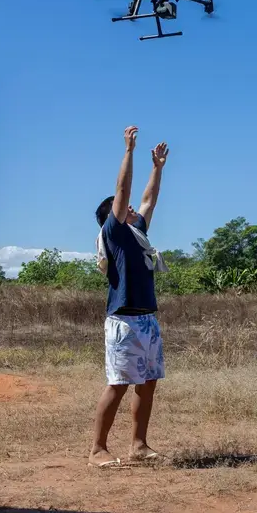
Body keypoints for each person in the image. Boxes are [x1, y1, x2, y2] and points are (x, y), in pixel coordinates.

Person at [89, 126, 170, 467]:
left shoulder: (137, 234)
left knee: (148, 383)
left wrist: (158, 168)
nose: (135, 209)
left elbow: (149, 200)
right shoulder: (115, 232)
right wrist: (129, 151)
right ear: (114, 215)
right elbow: (122, 190)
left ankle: (138, 445)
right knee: (119, 385)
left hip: (147, 318)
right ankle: (97, 450)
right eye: (126, 208)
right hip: (123, 320)